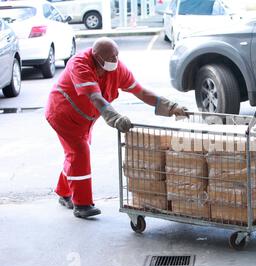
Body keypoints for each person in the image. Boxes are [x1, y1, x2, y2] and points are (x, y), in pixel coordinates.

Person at [45, 37, 188, 219]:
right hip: (62, 113)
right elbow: (96, 98)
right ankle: (81, 205)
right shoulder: (80, 64)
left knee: (74, 154)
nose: (115, 60)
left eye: (117, 56)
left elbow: (141, 92)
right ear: (96, 56)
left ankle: (63, 192)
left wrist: (170, 107)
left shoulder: (117, 69)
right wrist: (115, 119)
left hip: (85, 118)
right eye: (110, 57)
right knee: (79, 152)